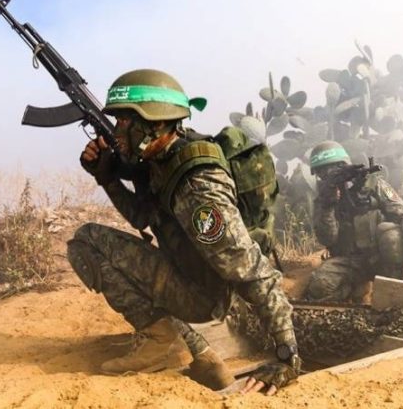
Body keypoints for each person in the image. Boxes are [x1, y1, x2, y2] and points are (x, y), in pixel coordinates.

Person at [66, 69, 300, 394]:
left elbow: (251, 269)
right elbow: (140, 216)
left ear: (156, 123)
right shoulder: (160, 158)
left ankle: (163, 341)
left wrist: (286, 355)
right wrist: (107, 178)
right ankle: (188, 346)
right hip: (184, 273)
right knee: (87, 241)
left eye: (124, 121)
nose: (116, 131)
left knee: (88, 241)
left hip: (202, 296)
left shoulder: (198, 186)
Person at [303, 141, 403, 305]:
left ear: (344, 165)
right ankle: (356, 293)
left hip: (382, 258)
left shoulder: (372, 184)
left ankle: (398, 287)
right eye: (322, 171)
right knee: (320, 287)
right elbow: (328, 238)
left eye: (334, 168)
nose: (328, 174)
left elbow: (400, 211)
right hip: (349, 261)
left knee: (391, 234)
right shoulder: (323, 200)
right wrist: (327, 205)